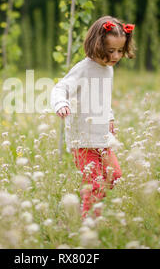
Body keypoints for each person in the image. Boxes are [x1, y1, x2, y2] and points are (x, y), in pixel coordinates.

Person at [50, 15, 136, 218]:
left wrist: (110, 118)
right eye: (110, 51)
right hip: (83, 140)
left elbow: (103, 98)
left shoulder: (108, 69)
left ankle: (94, 207)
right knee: (95, 183)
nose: (115, 56)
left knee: (115, 176)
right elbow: (60, 88)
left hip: (103, 137)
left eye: (120, 51)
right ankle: (89, 221)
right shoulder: (83, 69)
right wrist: (61, 103)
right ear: (96, 45)